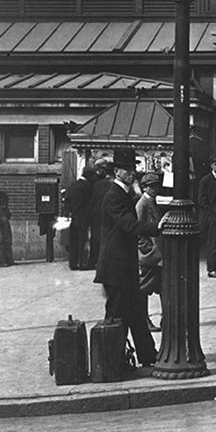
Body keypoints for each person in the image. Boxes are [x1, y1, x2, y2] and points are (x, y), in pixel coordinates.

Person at [93, 147, 159, 368]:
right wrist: (156, 228)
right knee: (117, 316)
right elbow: (129, 225)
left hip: (124, 267)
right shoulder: (113, 196)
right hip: (116, 267)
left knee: (136, 314)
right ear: (117, 171)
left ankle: (148, 356)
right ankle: (112, 361)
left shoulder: (124, 194)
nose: (132, 173)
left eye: (133, 169)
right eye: (128, 170)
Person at [135, 172, 164, 332]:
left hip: (157, 256)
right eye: (151, 186)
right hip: (150, 257)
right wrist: (148, 250)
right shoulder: (142, 204)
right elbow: (138, 230)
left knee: (161, 288)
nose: (155, 189)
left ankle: (164, 319)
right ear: (144, 187)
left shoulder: (152, 202)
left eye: (156, 185)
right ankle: (144, 320)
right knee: (144, 289)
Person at [63, 167, 96, 270]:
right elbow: (90, 203)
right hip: (84, 217)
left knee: (73, 241)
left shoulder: (73, 185)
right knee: (82, 241)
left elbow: (67, 201)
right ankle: (81, 263)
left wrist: (68, 213)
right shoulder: (87, 186)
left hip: (74, 217)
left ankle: (73, 264)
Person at [87, 158, 113, 269]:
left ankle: (93, 262)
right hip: (107, 217)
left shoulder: (96, 184)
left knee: (95, 240)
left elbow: (91, 202)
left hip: (96, 217)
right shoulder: (112, 186)